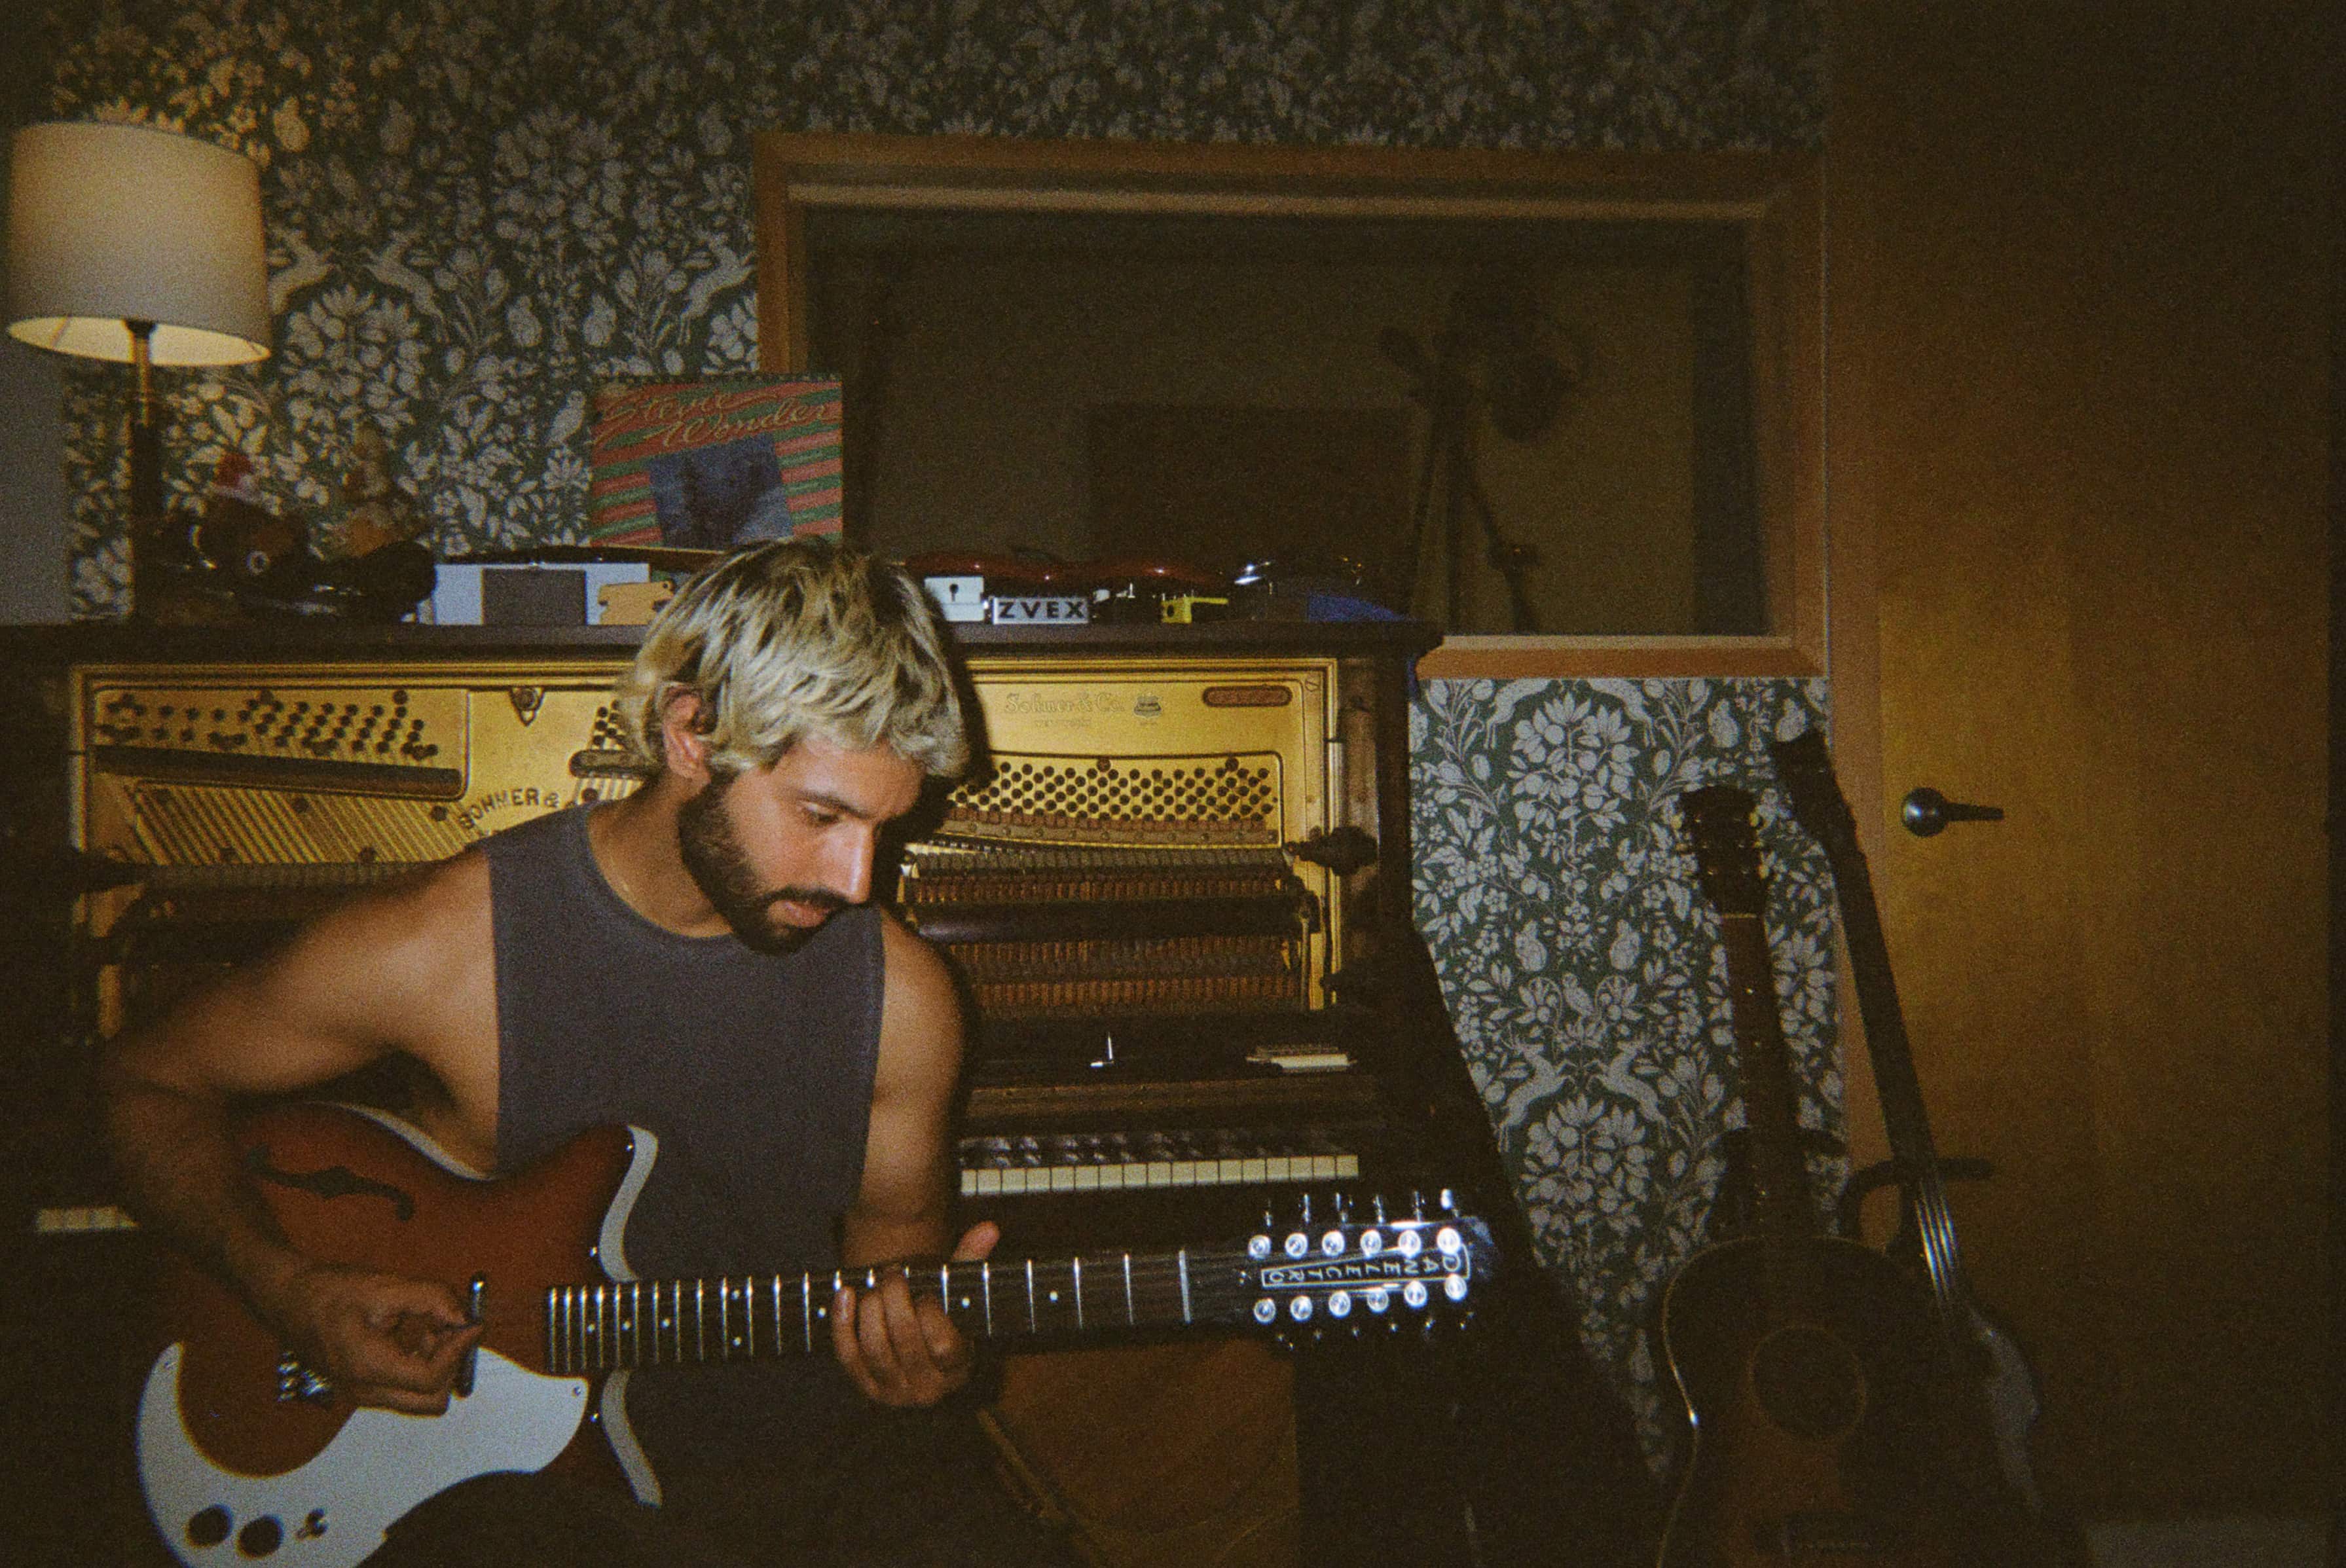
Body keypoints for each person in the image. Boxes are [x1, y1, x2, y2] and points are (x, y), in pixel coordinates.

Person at [102, 538, 1069, 1566]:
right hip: (528, 1504)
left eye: (886, 826)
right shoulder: (447, 948)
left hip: (809, 1481)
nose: (857, 880)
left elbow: (895, 1284)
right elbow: (145, 1079)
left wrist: (922, 1359)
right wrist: (288, 1288)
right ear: (691, 733)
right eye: (820, 815)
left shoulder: (905, 1000)